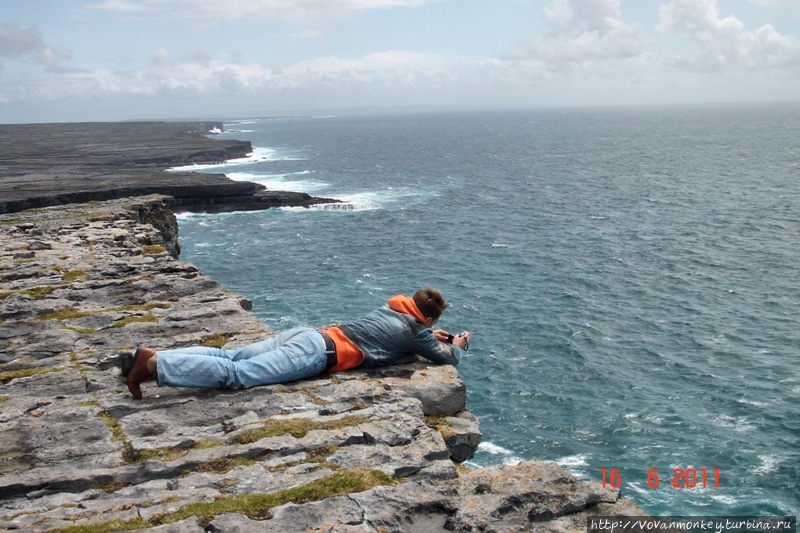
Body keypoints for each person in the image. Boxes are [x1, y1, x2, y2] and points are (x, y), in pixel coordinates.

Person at [124, 286, 470, 400]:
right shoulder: (416, 331)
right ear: (428, 319)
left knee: (228, 354)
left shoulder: (391, 308)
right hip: (318, 353)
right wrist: (458, 344)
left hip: (308, 334)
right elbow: (445, 359)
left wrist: (426, 335)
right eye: (433, 323)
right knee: (238, 375)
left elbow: (402, 335)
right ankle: (153, 366)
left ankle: (153, 355)